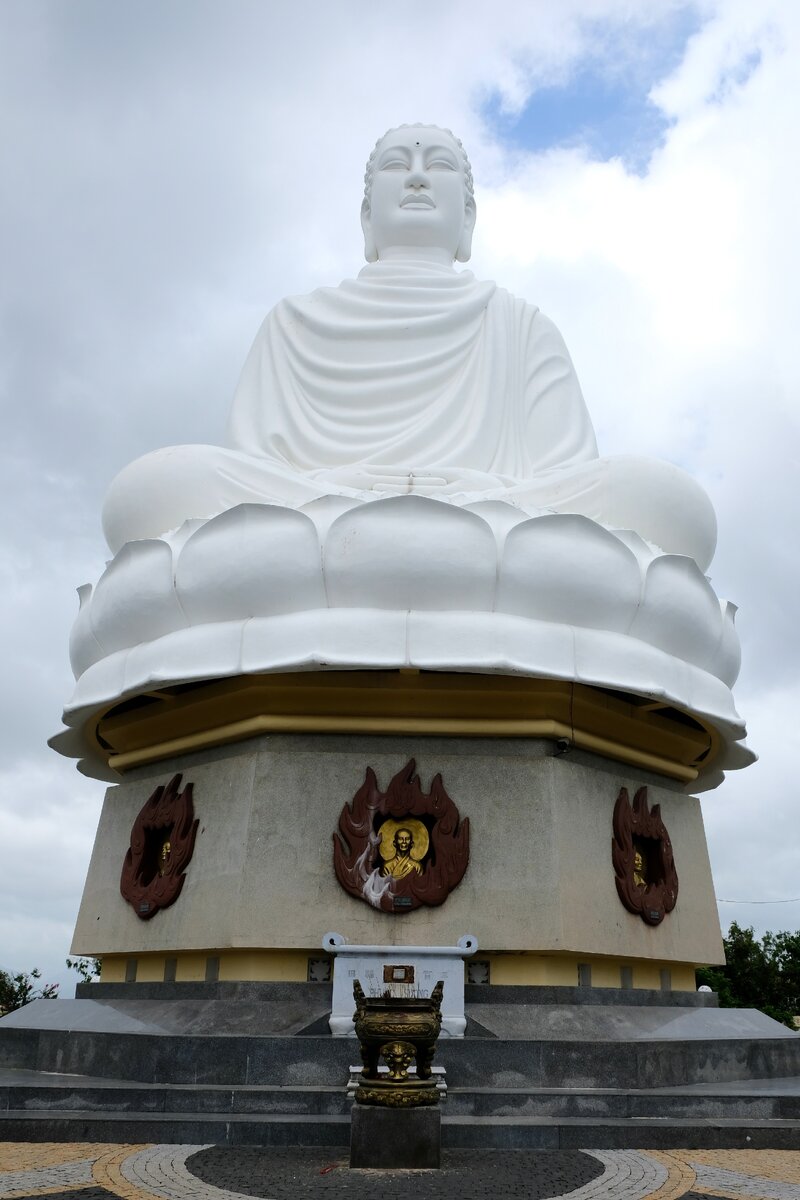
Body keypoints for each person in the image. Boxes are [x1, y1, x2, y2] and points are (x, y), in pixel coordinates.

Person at [101, 124, 717, 570]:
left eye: (439, 165)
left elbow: (564, 477)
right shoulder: (294, 320)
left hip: (489, 510)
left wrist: (470, 497)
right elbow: (258, 473)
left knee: (669, 503)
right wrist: (338, 489)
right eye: (398, 164)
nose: (419, 174)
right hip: (319, 509)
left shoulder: (520, 324)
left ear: (467, 219)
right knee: (150, 490)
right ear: (367, 218)